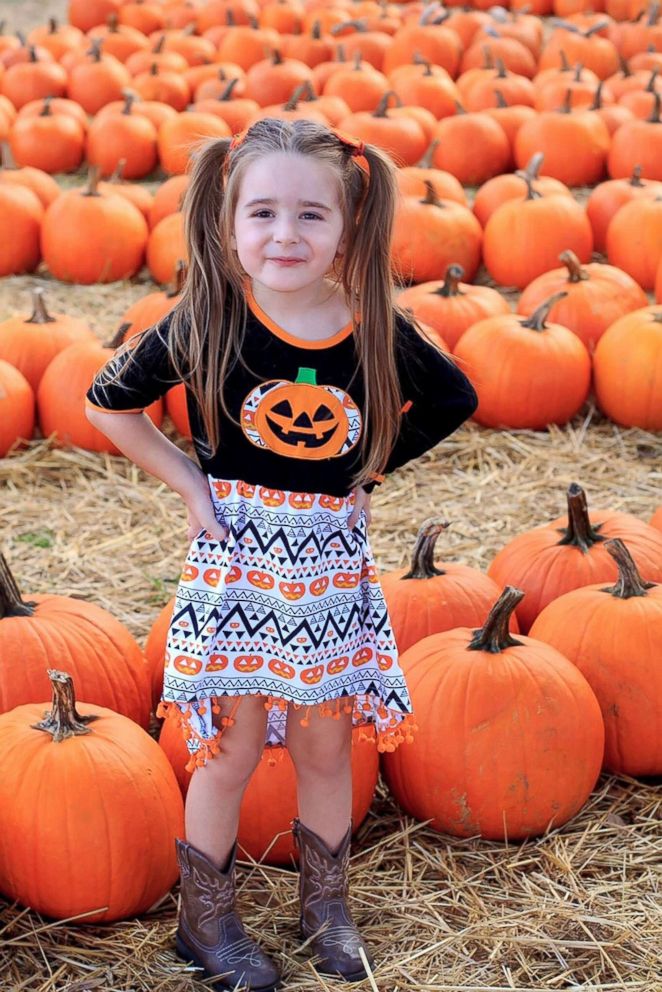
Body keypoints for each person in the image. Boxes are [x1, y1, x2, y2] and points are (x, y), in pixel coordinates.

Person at [85, 118, 478, 992]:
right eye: (261, 213)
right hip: (235, 563)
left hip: (328, 570)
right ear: (228, 225)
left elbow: (454, 396)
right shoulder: (210, 319)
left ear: (349, 228)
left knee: (326, 747)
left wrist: (372, 468)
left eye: (311, 215)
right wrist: (192, 486)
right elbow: (107, 403)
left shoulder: (371, 325)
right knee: (228, 749)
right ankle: (207, 920)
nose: (285, 235)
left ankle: (324, 904)